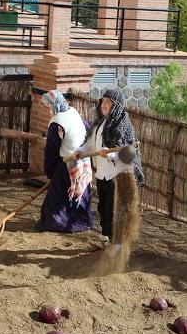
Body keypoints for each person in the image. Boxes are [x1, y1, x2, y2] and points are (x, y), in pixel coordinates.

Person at [73, 89, 143, 243]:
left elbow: (129, 153)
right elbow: (91, 142)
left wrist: (110, 153)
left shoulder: (123, 126)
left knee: (114, 209)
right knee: (103, 208)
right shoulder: (100, 123)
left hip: (117, 175)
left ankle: (116, 243)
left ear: (116, 105)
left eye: (108, 102)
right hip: (102, 173)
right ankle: (105, 237)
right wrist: (80, 151)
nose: (104, 105)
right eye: (103, 101)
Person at [35, 90, 93, 233]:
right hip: (83, 161)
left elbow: (52, 148)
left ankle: (59, 223)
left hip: (69, 163)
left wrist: (50, 170)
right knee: (80, 195)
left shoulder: (57, 121)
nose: (47, 108)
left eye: (48, 105)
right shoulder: (73, 111)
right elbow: (87, 127)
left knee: (58, 197)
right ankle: (82, 222)